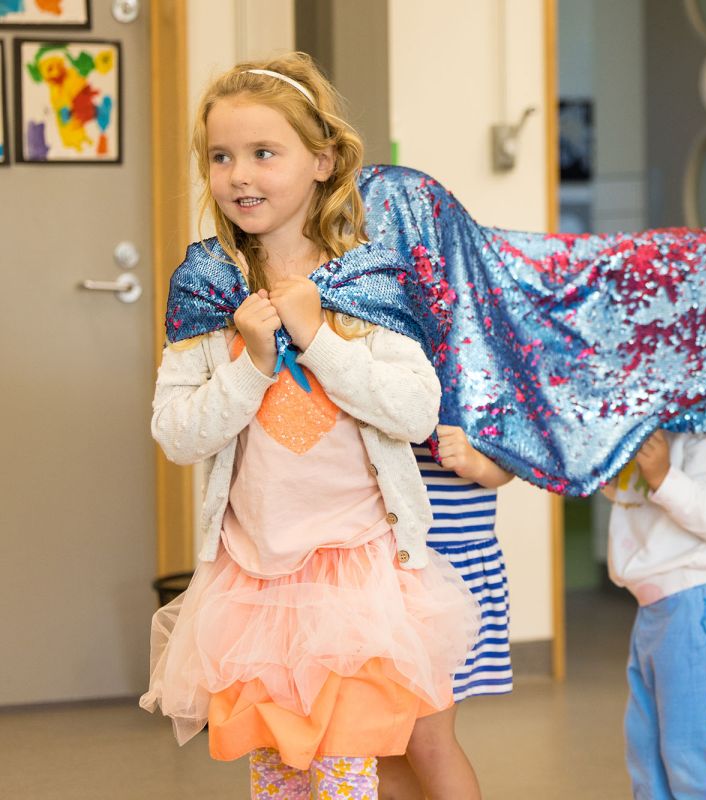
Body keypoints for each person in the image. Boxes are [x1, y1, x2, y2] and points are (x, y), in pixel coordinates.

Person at [139, 53, 478, 799]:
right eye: (222, 157)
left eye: (265, 153)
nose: (240, 175)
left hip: (358, 576)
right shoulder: (207, 288)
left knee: (353, 773)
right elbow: (177, 433)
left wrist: (318, 339)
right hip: (254, 581)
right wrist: (251, 363)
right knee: (286, 776)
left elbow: (417, 410)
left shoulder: (368, 280)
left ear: (322, 160)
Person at [603, 427, 706, 799]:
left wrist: (662, 475)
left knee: (691, 753)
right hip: (657, 604)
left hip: (701, 594)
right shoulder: (656, 420)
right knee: (646, 751)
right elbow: (632, 496)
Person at [378, 424, 514, 800]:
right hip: (379, 566)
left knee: (428, 739)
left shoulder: (477, 368)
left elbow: (515, 455)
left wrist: (475, 463)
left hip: (445, 572)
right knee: (384, 742)